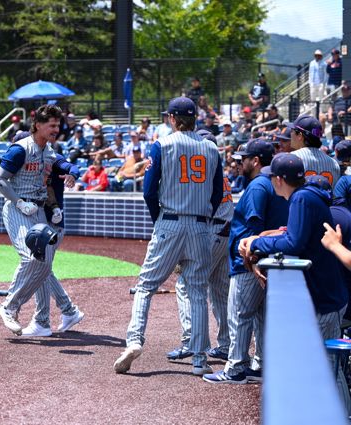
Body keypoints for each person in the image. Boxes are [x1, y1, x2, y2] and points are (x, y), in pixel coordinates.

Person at [114, 96, 223, 376]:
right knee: (197, 291)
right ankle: (199, 358)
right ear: (195, 118)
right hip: (200, 225)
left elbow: (149, 191)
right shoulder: (212, 148)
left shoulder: (162, 144)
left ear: (172, 119)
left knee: (145, 286)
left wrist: (159, 221)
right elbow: (218, 193)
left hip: (170, 221)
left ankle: (134, 341)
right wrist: (204, 216)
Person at [239, 154, 350, 412]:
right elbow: (294, 235)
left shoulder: (302, 198)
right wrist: (265, 239)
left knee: (327, 370)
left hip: (324, 299)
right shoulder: (306, 195)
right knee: (327, 369)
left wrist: (257, 243)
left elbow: (294, 243)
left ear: (279, 180)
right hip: (329, 295)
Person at [202, 139, 287, 384]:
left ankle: (236, 368)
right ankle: (261, 365)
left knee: (239, 314)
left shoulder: (259, 185)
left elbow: (254, 226)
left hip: (250, 262)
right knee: (261, 316)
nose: (239, 164)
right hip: (268, 259)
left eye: (244, 159)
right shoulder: (273, 183)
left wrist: (253, 259)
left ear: (256, 161)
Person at [0, 104, 62, 335]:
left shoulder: (49, 151)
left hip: (39, 211)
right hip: (18, 209)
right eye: (52, 125)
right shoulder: (20, 149)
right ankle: (9, 307)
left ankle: (14, 308)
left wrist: (54, 206)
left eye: (58, 125)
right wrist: (19, 202)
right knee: (31, 257)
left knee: (45, 264)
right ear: (38, 125)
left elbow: (52, 178)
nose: (56, 129)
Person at [168, 129, 233, 362]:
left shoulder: (202, 175)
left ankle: (190, 342)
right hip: (227, 234)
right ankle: (226, 344)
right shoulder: (220, 173)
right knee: (219, 291)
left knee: (185, 286)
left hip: (211, 233)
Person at [20, 152, 84, 336]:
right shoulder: (32, 161)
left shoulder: (51, 157)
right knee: (43, 269)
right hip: (46, 225)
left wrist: (72, 175)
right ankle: (69, 311)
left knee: (40, 269)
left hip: (52, 226)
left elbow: (72, 167)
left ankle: (43, 322)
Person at [289, 114, 340, 187]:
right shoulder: (334, 163)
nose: (290, 134)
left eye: (292, 131)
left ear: (300, 135)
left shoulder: (292, 158)